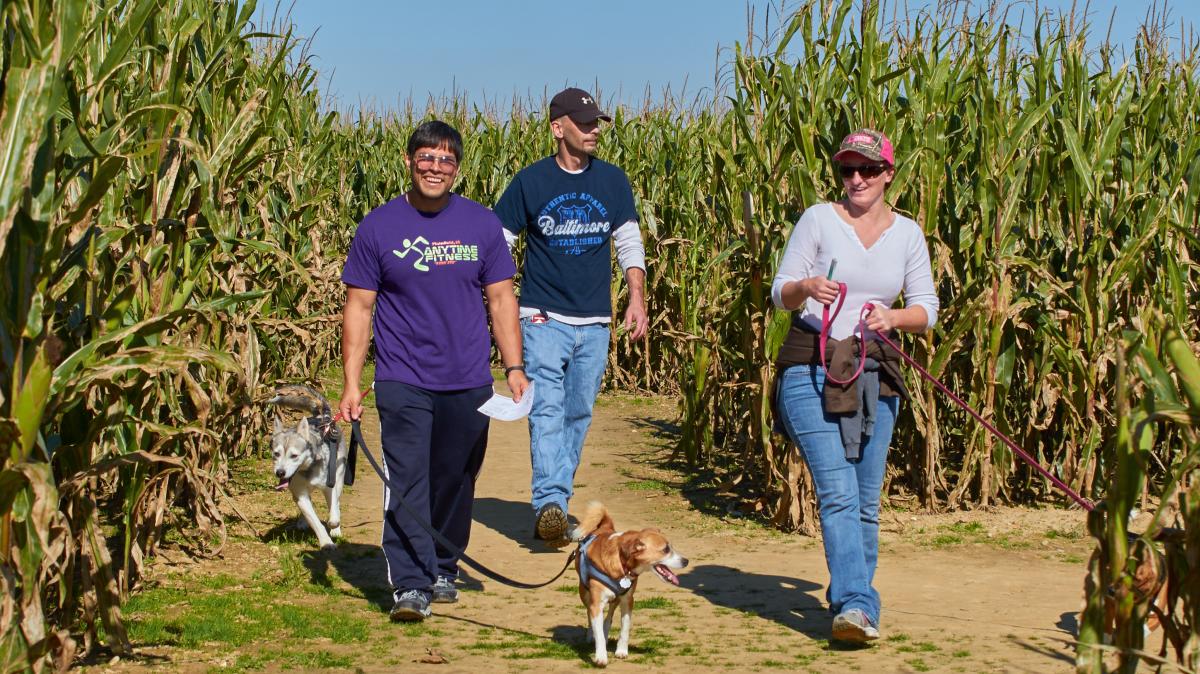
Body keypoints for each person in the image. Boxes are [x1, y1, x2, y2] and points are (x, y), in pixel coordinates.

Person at [338, 120, 530, 622]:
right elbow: (359, 308)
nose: (435, 167)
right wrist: (353, 384)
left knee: (455, 477)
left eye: (446, 160)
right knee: (407, 478)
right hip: (402, 377)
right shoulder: (378, 226)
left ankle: (444, 565)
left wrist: (513, 367)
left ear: (457, 170)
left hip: (468, 379)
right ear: (408, 161)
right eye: (426, 157)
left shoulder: (482, 225)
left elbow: (501, 297)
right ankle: (410, 583)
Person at [770, 128, 939, 643]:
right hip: (810, 368)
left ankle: (854, 599)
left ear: (888, 173)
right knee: (839, 491)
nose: (857, 179)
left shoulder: (908, 234)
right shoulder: (819, 219)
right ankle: (857, 605)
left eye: (868, 169)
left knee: (865, 499)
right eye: (848, 170)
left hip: (875, 373)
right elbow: (781, 292)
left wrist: (893, 317)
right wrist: (807, 287)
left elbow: (926, 310)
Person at [494, 87, 648, 544]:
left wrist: (636, 295)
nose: (594, 130)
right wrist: (505, 298)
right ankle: (551, 503)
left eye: (597, 122)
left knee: (578, 414)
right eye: (584, 123)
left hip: (595, 322)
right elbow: (499, 240)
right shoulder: (531, 182)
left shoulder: (612, 181)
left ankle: (556, 497)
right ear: (558, 129)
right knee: (546, 410)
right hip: (542, 317)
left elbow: (629, 242)